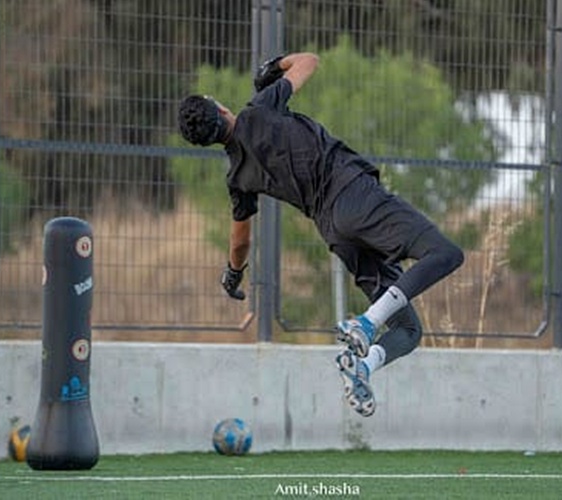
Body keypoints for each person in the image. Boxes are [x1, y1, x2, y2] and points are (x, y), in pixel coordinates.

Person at [178, 52, 464, 417]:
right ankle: (366, 323)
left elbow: (241, 242)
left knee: (408, 330)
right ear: (220, 109)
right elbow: (310, 61)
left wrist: (233, 273)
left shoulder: (238, 178)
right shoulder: (260, 108)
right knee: (445, 254)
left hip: (335, 231)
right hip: (355, 196)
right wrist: (273, 67)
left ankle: (363, 367)